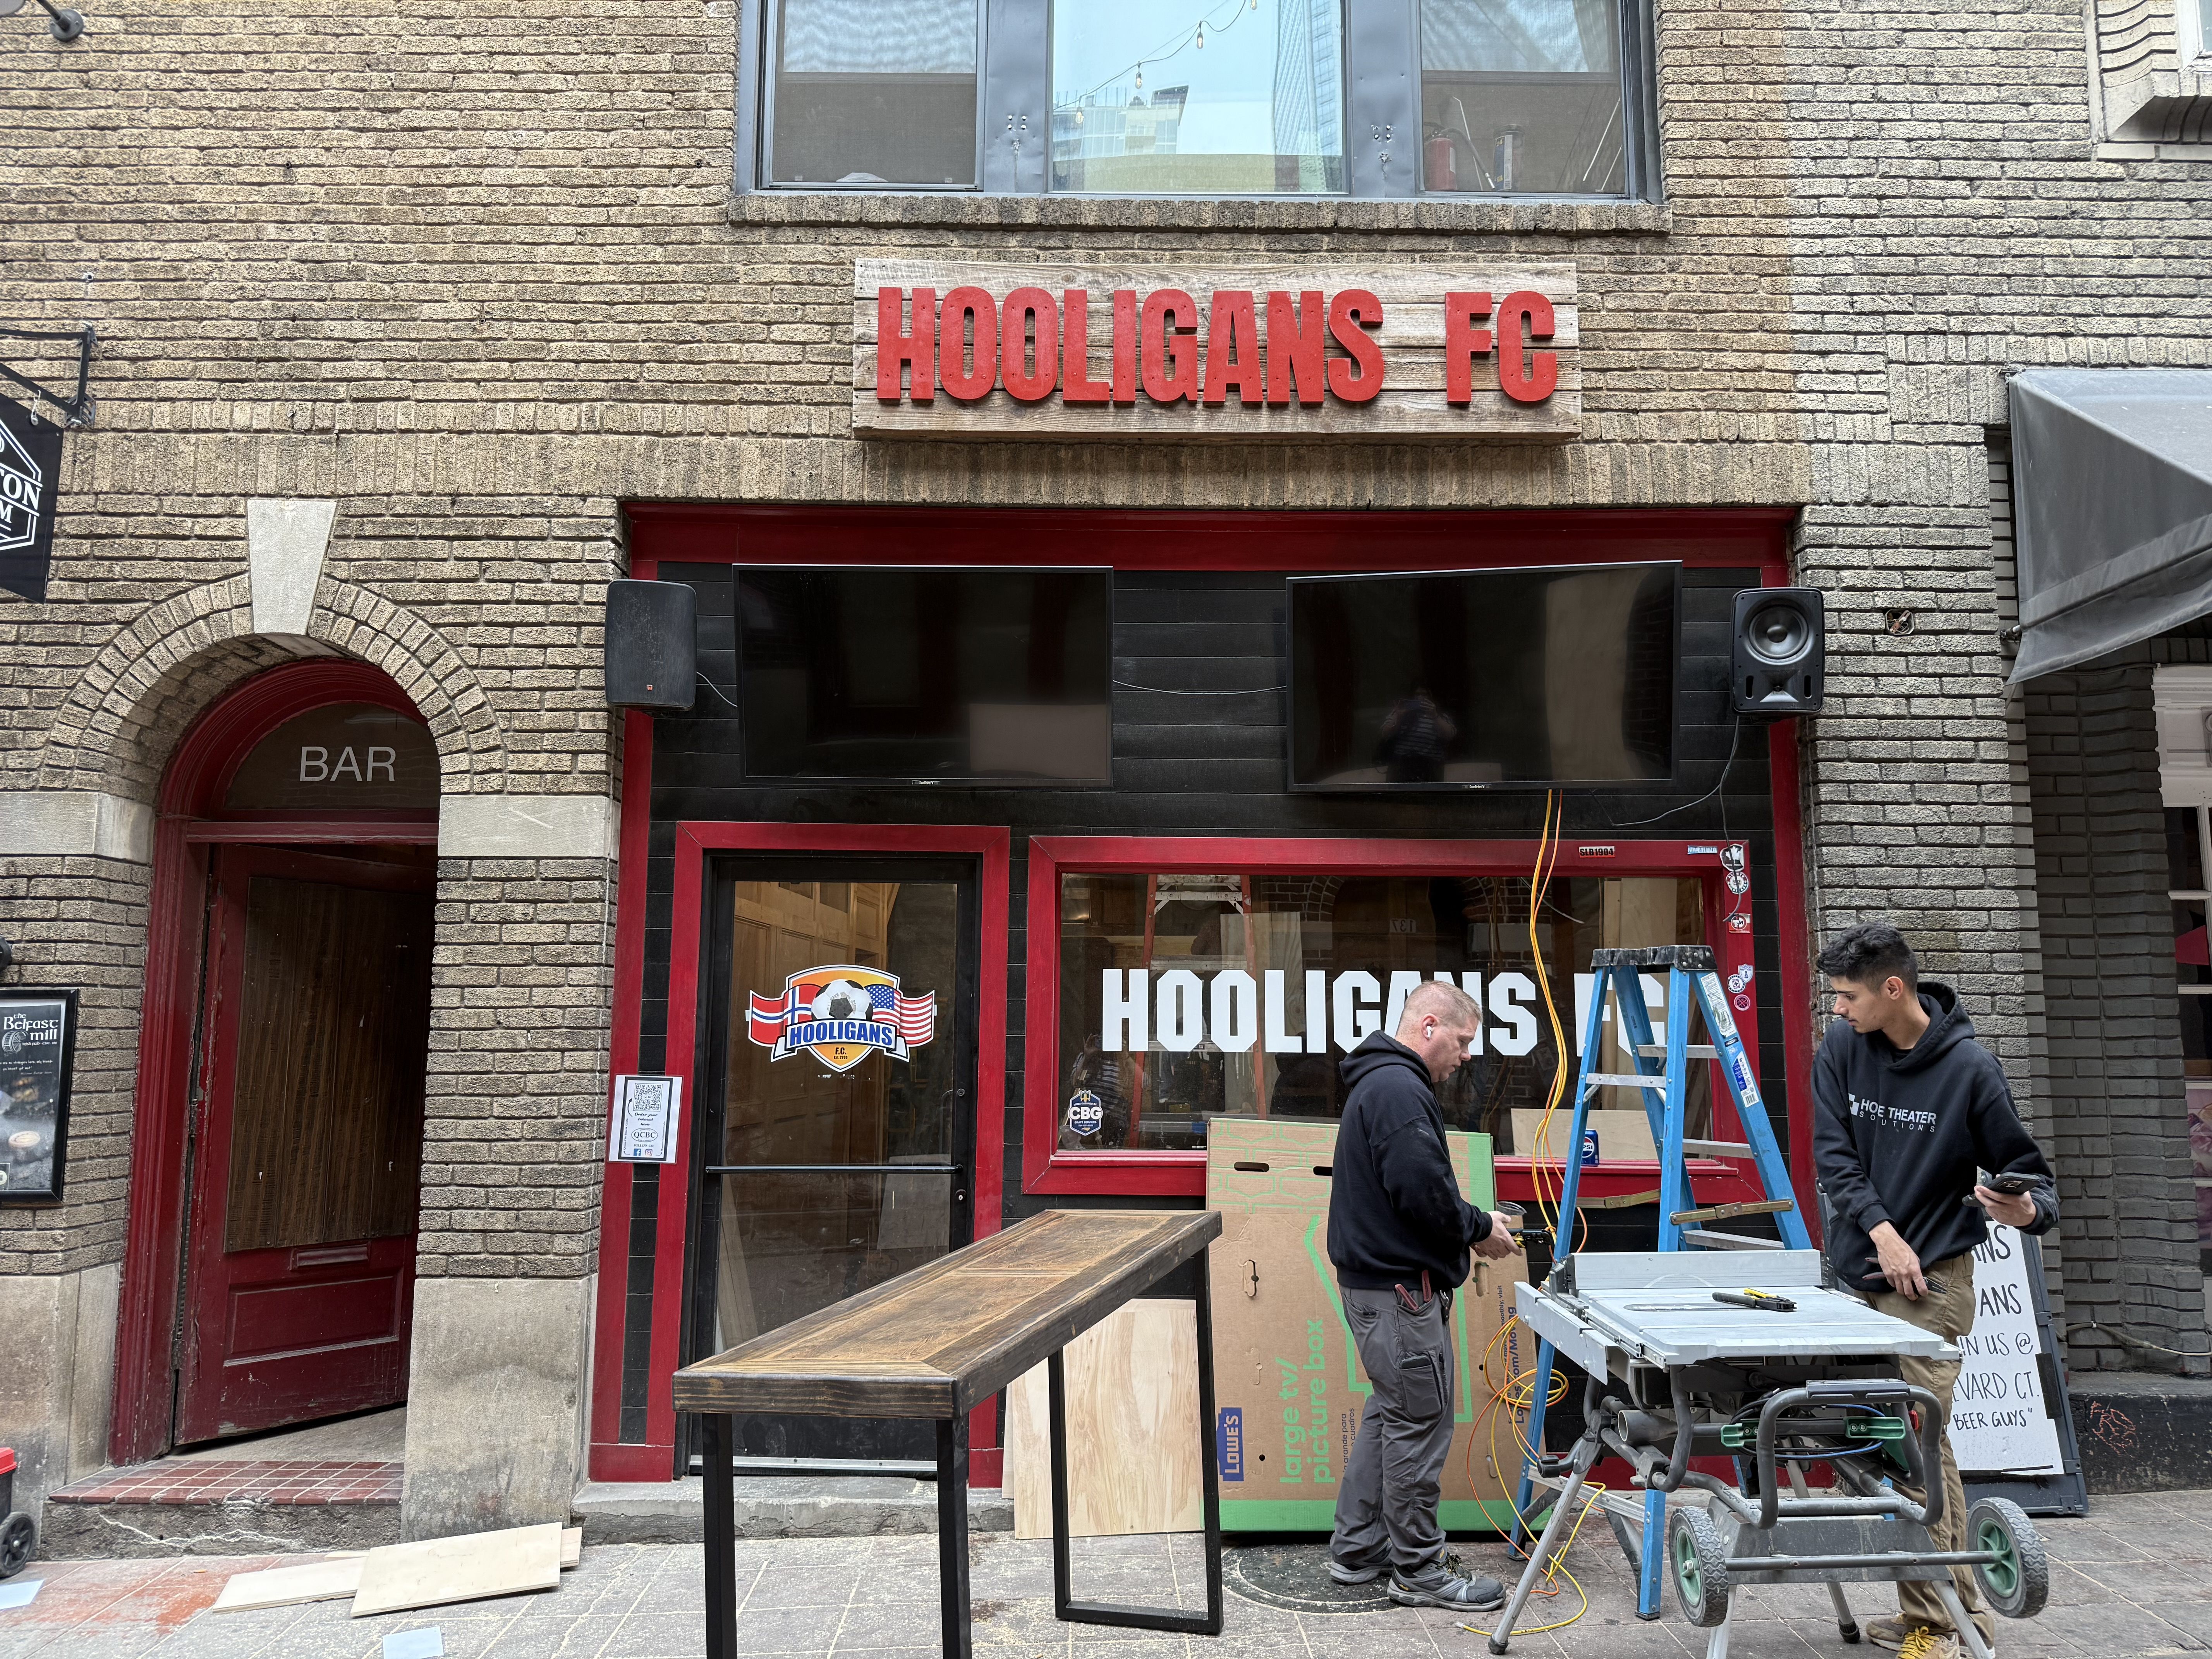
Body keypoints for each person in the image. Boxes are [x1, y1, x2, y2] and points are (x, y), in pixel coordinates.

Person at [1811, 922, 2058, 1659]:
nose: (1838, 1010)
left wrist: (2025, 1208)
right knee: (1878, 1441)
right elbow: (1833, 1155)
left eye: (1849, 996)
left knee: (1917, 1436)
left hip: (1934, 1283)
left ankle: (1951, 1621)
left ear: (1894, 989)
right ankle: (1930, 1610)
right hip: (1859, 1268)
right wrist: (1882, 1232)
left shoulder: (1971, 1070)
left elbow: (2032, 1176)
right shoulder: (1843, 1048)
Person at [1326, 979, 1523, 1609]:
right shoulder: (1398, 1089)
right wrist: (1478, 1228)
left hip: (1382, 1289)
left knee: (1393, 1414)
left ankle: (1358, 1552)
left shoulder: (1383, 1083)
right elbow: (1421, 1191)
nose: (1466, 1055)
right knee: (1418, 1423)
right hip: (1400, 1294)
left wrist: (1466, 1223)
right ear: (1430, 1025)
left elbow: (1417, 1187)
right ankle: (1419, 1571)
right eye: (1463, 1041)